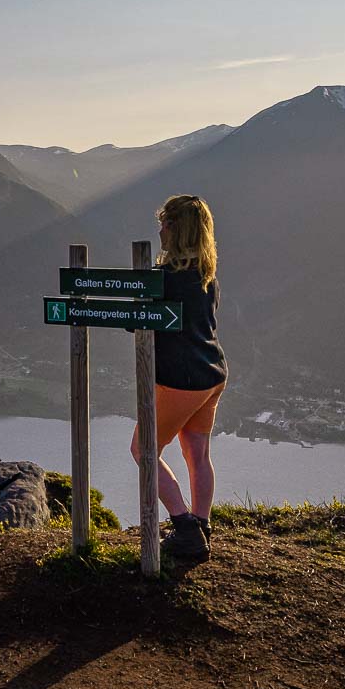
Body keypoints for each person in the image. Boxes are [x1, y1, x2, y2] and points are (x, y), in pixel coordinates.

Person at [133, 193, 227, 560]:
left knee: (142, 449)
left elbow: (139, 325)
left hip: (183, 380)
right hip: (213, 374)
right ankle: (201, 525)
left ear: (177, 229)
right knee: (197, 453)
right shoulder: (207, 276)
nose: (160, 229)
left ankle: (185, 527)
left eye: (165, 223)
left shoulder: (164, 280)